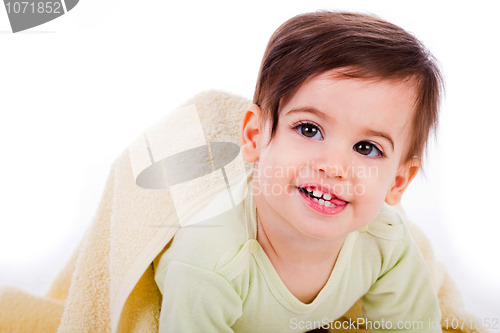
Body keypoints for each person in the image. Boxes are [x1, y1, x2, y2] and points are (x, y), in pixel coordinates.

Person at [153, 10, 444, 332]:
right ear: (255, 136)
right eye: (308, 129)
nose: (333, 167)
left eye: (366, 148)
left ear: (398, 181)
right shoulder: (210, 261)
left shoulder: (385, 240)